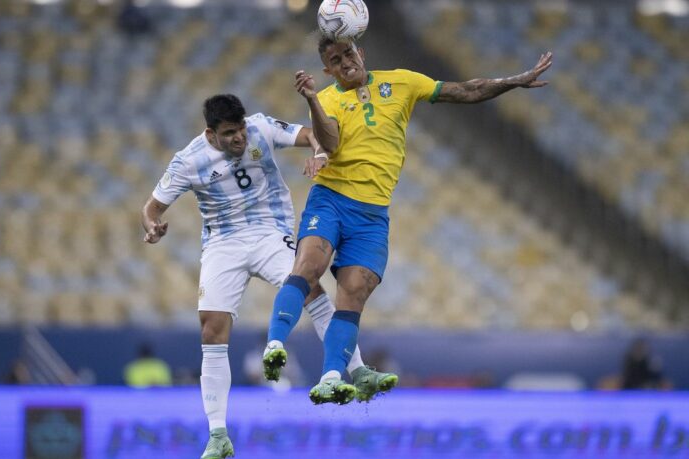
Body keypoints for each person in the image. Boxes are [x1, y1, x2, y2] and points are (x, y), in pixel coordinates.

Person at [264, 36, 553, 405]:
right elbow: (331, 145)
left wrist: (513, 81)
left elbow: (465, 90)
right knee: (309, 265)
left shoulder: (401, 82)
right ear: (328, 70)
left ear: (361, 52)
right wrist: (311, 99)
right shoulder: (329, 99)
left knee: (353, 291)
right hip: (332, 200)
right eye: (335, 60)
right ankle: (274, 344)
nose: (345, 62)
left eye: (348, 53)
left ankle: (332, 377)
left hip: (372, 214)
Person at [141, 94, 387, 459]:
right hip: (223, 242)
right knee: (211, 327)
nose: (239, 138)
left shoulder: (261, 127)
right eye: (229, 133)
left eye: (240, 129)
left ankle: (358, 370)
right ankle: (218, 435)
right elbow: (152, 207)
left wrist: (319, 151)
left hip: (270, 231)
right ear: (211, 134)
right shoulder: (188, 161)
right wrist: (152, 225)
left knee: (311, 288)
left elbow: (312, 134)